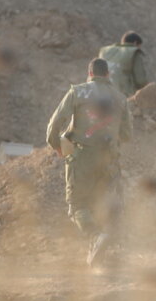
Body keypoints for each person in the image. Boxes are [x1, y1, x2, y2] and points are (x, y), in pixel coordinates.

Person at [46, 57, 132, 266]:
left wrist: (58, 147)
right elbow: (127, 135)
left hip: (82, 157)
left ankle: (96, 237)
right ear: (108, 75)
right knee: (100, 205)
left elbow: (53, 127)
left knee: (77, 206)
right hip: (110, 159)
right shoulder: (120, 98)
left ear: (90, 73)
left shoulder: (77, 92)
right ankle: (103, 253)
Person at [99, 31, 149, 98]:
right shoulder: (133, 51)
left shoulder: (105, 51)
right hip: (124, 96)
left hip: (103, 94)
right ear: (135, 43)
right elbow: (140, 80)